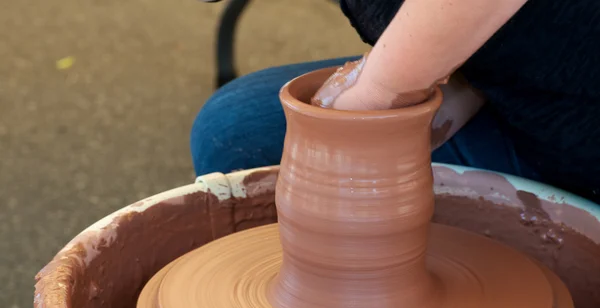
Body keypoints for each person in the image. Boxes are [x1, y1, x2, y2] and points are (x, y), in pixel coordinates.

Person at [191, 0, 600, 203]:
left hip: (583, 133)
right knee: (234, 132)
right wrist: (459, 79)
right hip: (515, 85)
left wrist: (379, 97)